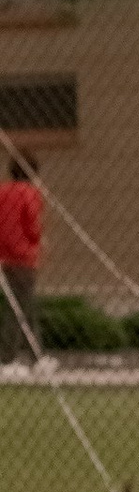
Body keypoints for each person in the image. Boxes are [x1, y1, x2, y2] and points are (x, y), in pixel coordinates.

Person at [0, 154, 41, 364]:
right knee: (22, 306)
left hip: (5, 257)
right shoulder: (30, 193)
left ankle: (35, 355)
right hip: (24, 257)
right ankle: (9, 357)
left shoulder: (3, 192)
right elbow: (33, 226)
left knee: (18, 305)